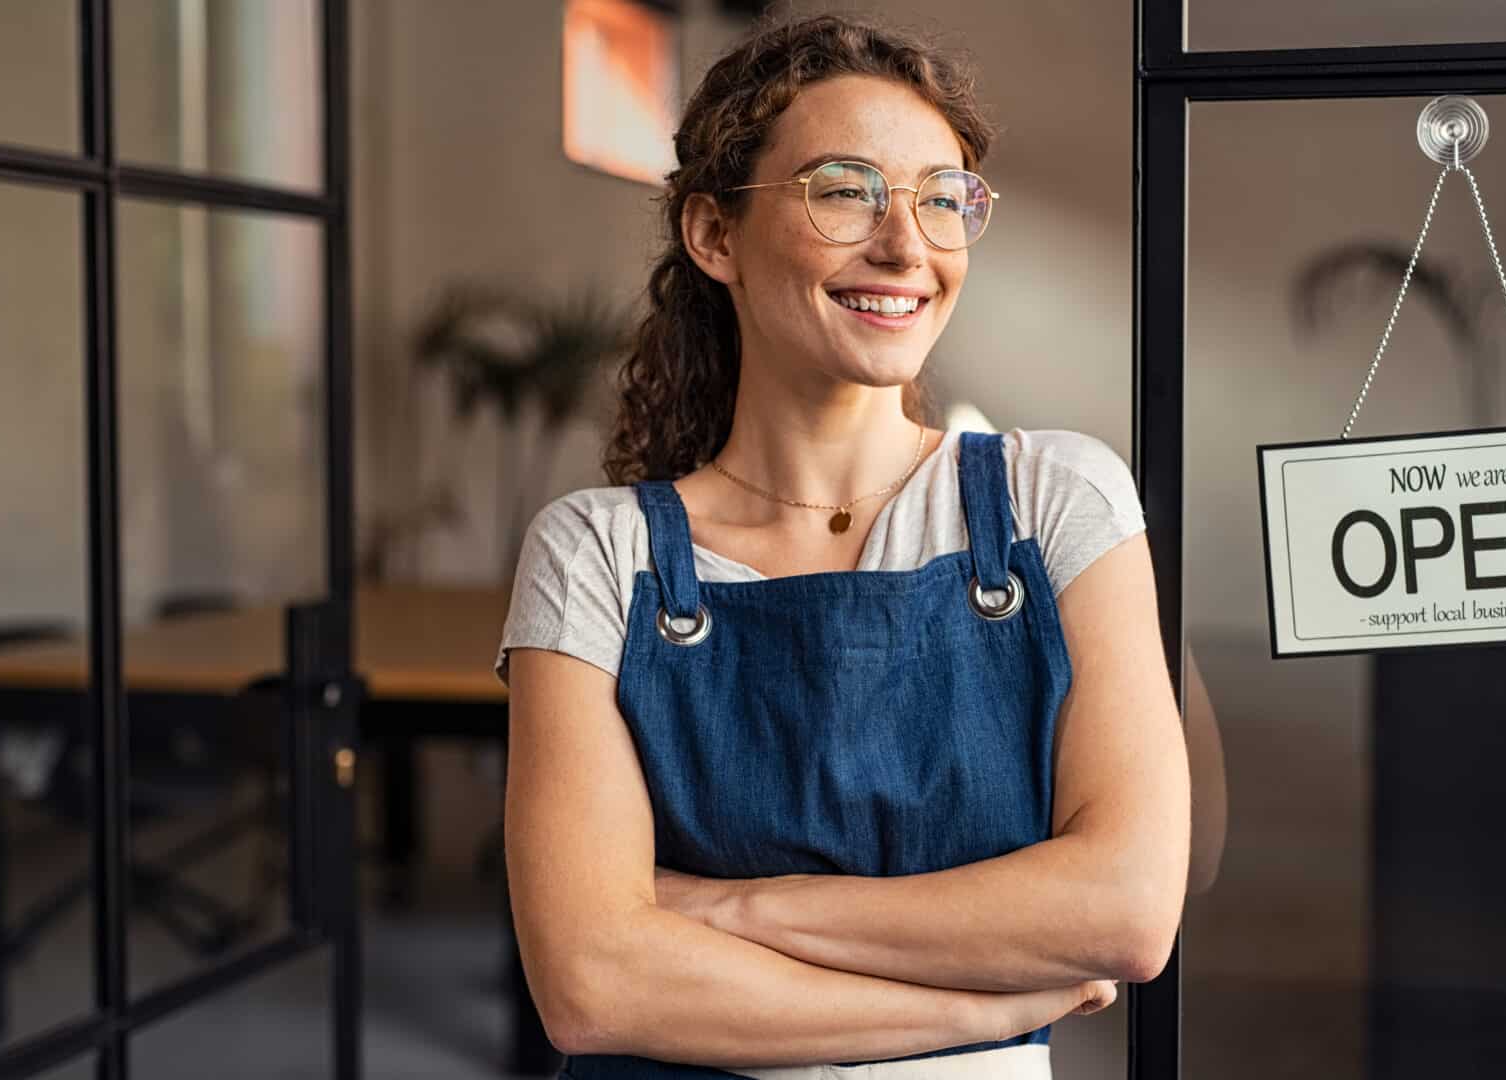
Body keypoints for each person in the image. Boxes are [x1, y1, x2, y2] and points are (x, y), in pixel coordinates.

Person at [494, 14, 1190, 1078]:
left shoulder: (1055, 501)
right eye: (845, 191)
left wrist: (727, 909)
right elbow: (592, 988)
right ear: (714, 235)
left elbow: (1127, 910)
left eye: (942, 198)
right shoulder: (595, 553)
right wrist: (988, 1009)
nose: (907, 246)